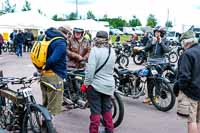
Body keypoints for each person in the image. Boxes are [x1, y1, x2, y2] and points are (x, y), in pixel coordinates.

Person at [83, 31, 116, 133]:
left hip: (95, 85)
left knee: (95, 111)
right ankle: (110, 130)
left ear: (96, 38)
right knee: (107, 109)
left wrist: (86, 84)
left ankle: (94, 131)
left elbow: (90, 70)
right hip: (109, 85)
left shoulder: (94, 51)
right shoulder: (112, 51)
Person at [173, 31, 200, 133]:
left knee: (191, 120)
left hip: (191, 93)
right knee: (198, 120)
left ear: (184, 42)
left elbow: (184, 77)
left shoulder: (187, 54)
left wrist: (179, 88)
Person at [40, 27, 68, 117]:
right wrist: (46, 67)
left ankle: (43, 123)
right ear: (65, 33)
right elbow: (53, 59)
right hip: (55, 74)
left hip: (44, 74)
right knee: (53, 105)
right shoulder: (60, 42)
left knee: (46, 101)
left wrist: (43, 68)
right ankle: (48, 127)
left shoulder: (47, 38)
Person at [142, 26, 170, 104]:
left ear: (162, 33)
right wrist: (152, 43)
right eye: (156, 32)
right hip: (150, 63)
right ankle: (149, 97)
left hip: (160, 63)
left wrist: (161, 42)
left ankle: (157, 97)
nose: (157, 33)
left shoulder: (165, 40)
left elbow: (166, 50)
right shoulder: (151, 39)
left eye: (158, 32)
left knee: (158, 80)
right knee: (149, 80)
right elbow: (146, 49)